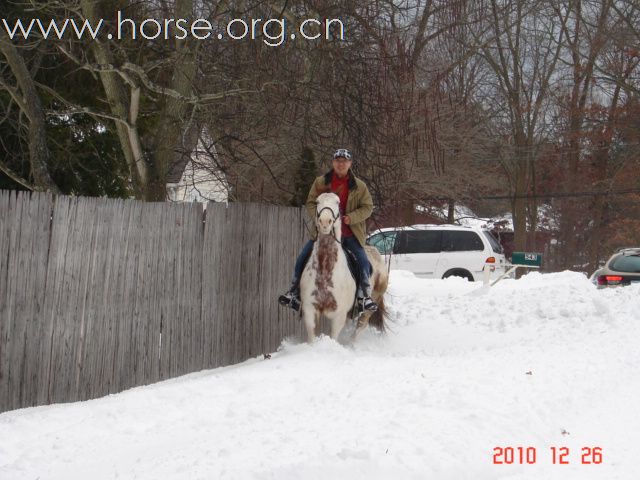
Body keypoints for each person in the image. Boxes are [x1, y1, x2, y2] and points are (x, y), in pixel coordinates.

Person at [278, 148, 378, 312]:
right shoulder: (321, 182)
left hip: (350, 234)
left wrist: (351, 217)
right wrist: (319, 217)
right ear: (333, 163)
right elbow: (310, 202)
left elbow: (368, 207)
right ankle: (294, 294)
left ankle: (364, 297)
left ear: (350, 164)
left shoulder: (359, 186)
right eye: (338, 161)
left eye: (344, 161)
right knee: (302, 259)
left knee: (363, 262)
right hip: (323, 234)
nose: (341, 164)